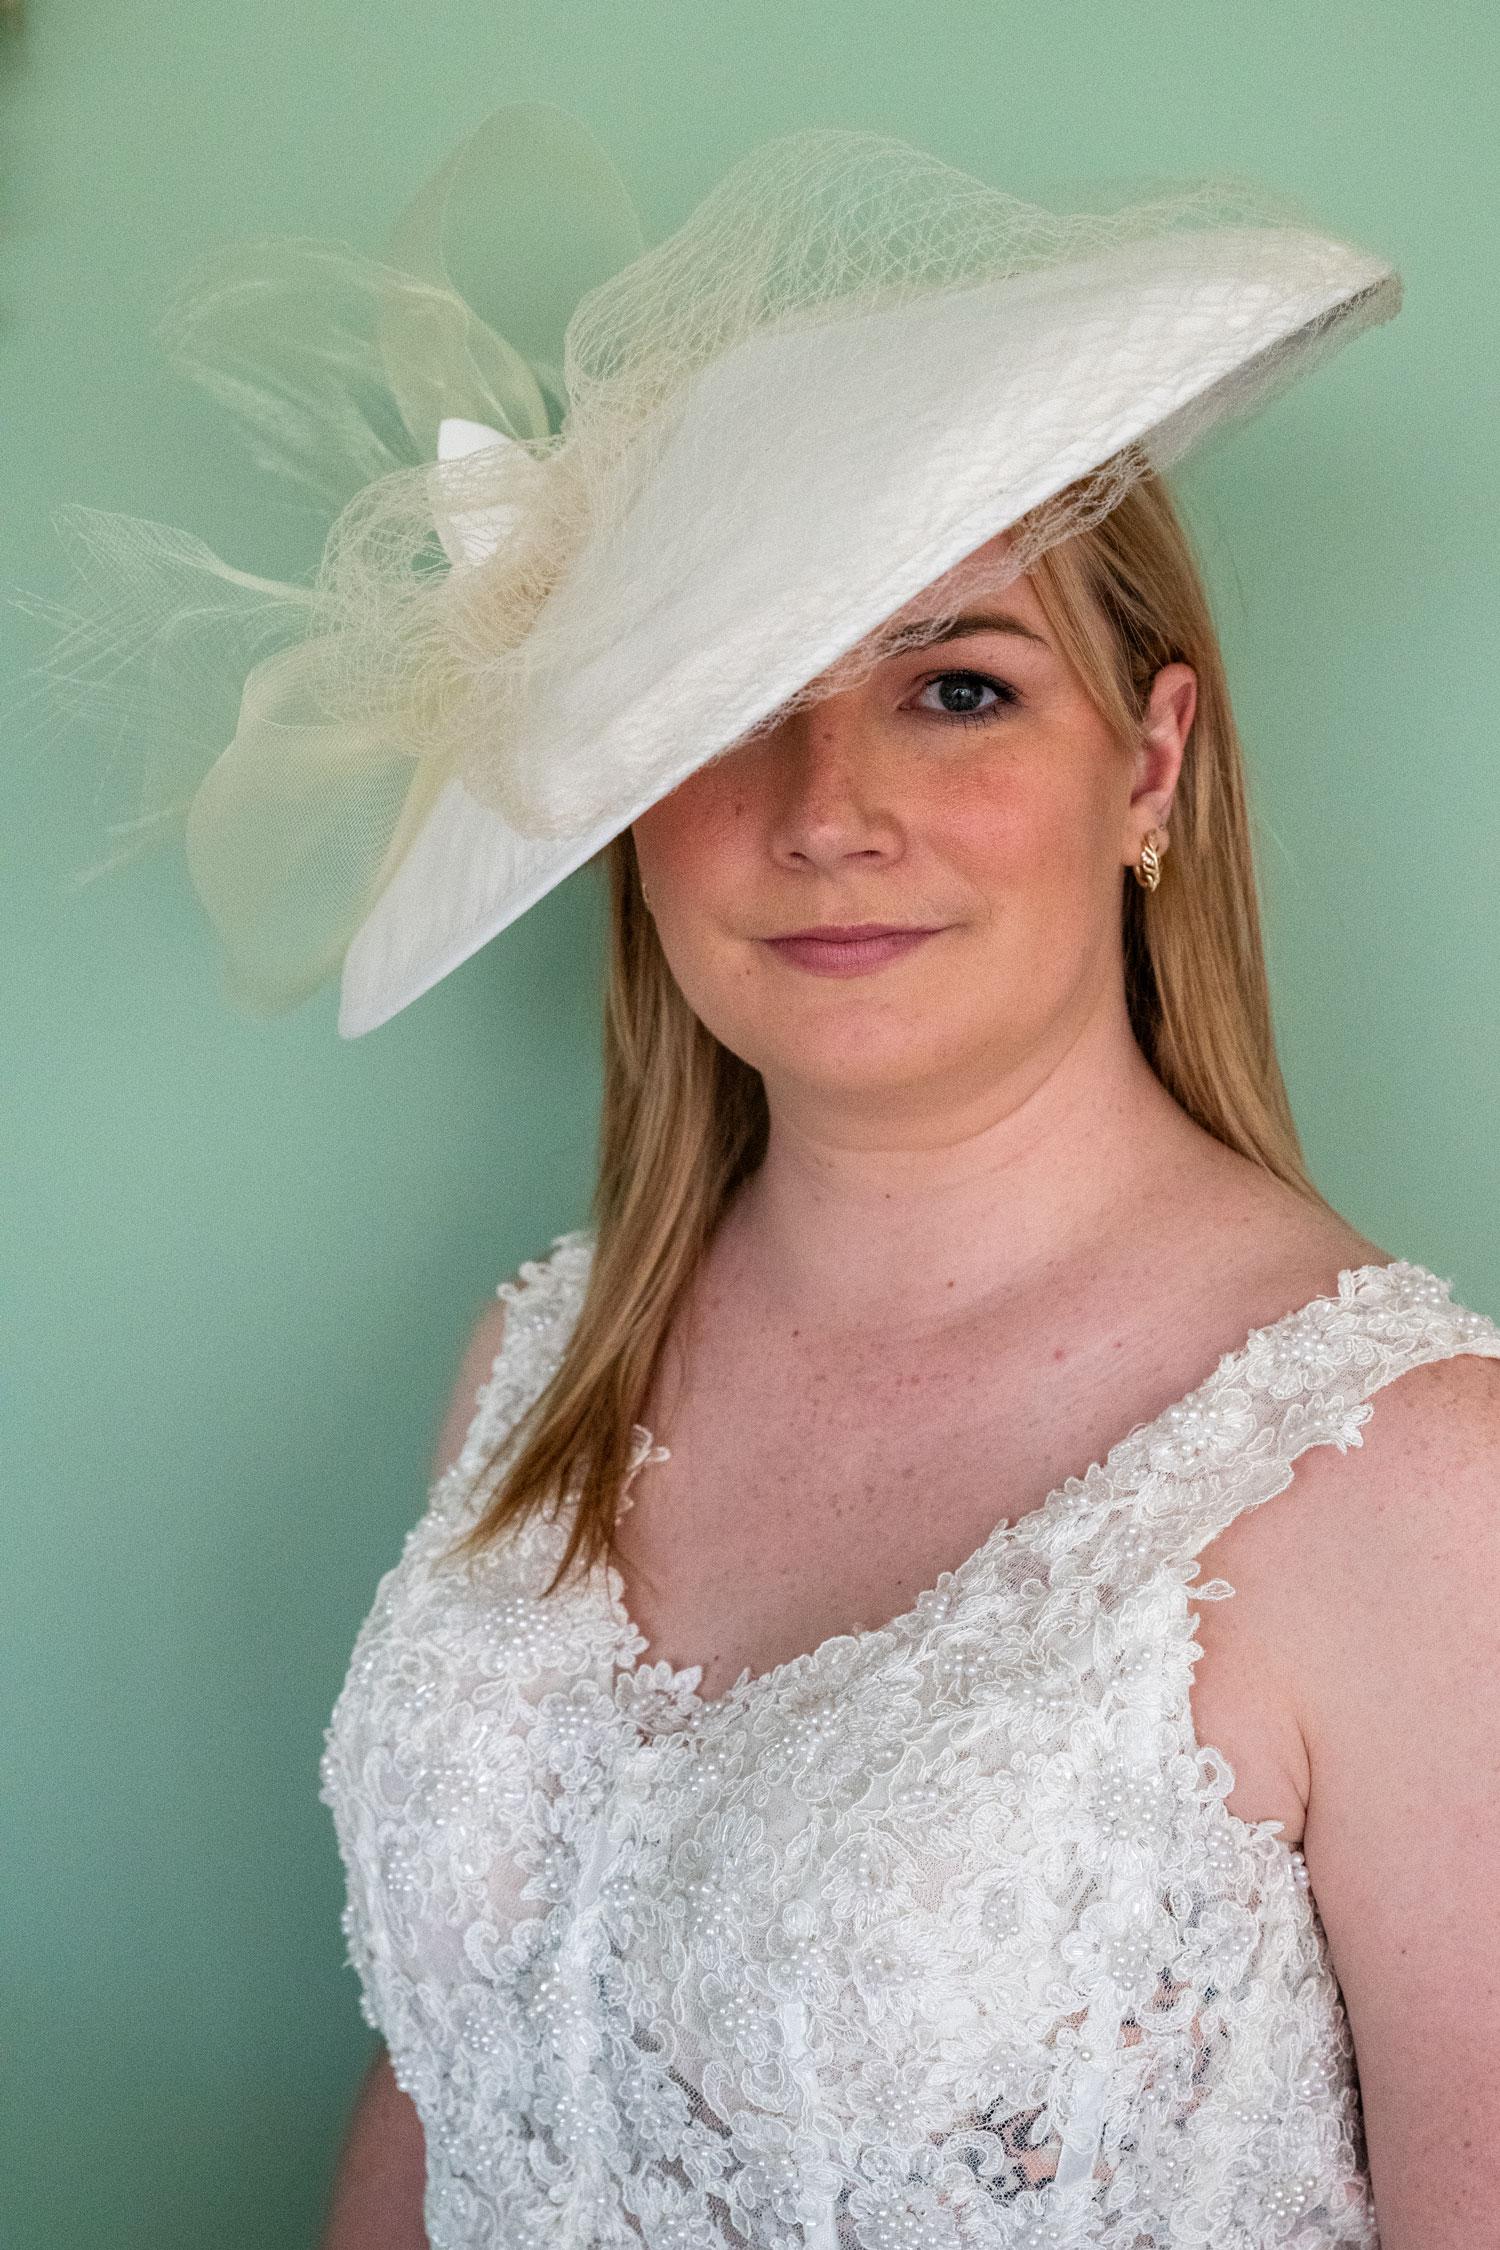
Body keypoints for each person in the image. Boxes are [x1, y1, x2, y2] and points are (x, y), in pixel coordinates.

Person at [36, 104, 1499, 2250]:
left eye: (958, 688)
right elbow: (452, 2084)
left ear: (1150, 763)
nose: (827, 808)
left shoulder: (1415, 1483)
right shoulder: (538, 1366)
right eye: (726, 708)